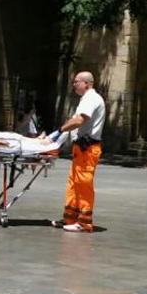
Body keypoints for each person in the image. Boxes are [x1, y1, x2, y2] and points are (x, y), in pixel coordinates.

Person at [47, 71, 105, 233]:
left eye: (76, 82)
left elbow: (79, 120)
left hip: (88, 148)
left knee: (84, 183)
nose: (74, 85)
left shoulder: (91, 99)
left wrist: (58, 131)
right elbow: (74, 122)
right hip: (81, 148)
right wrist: (54, 139)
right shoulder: (86, 99)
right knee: (74, 183)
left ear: (87, 83)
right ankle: (70, 217)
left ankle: (85, 222)